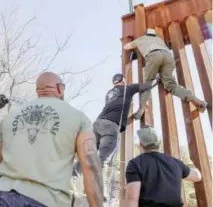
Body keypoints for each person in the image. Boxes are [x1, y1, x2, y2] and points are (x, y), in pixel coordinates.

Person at [0, 72, 104, 207]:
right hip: (44, 200)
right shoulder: (78, 118)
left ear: (38, 90)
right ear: (60, 88)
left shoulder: (9, 118)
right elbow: (91, 166)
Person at [72, 73, 159, 201]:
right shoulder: (127, 88)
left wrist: (132, 117)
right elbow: (146, 86)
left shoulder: (110, 93)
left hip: (97, 124)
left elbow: (117, 109)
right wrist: (156, 79)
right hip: (110, 126)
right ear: (123, 80)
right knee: (103, 159)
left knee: (89, 155)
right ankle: (98, 191)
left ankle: (71, 175)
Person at [123, 28, 208, 120]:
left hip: (153, 56)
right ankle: (196, 100)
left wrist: (131, 42)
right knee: (171, 86)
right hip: (168, 57)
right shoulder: (159, 40)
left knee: (147, 84)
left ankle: (141, 109)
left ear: (146, 34)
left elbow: (126, 47)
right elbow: (161, 58)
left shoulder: (142, 39)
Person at [125, 125, 202, 207]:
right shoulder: (176, 163)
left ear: (141, 144)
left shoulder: (135, 164)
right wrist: (189, 164)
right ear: (159, 142)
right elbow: (197, 176)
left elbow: (132, 200)